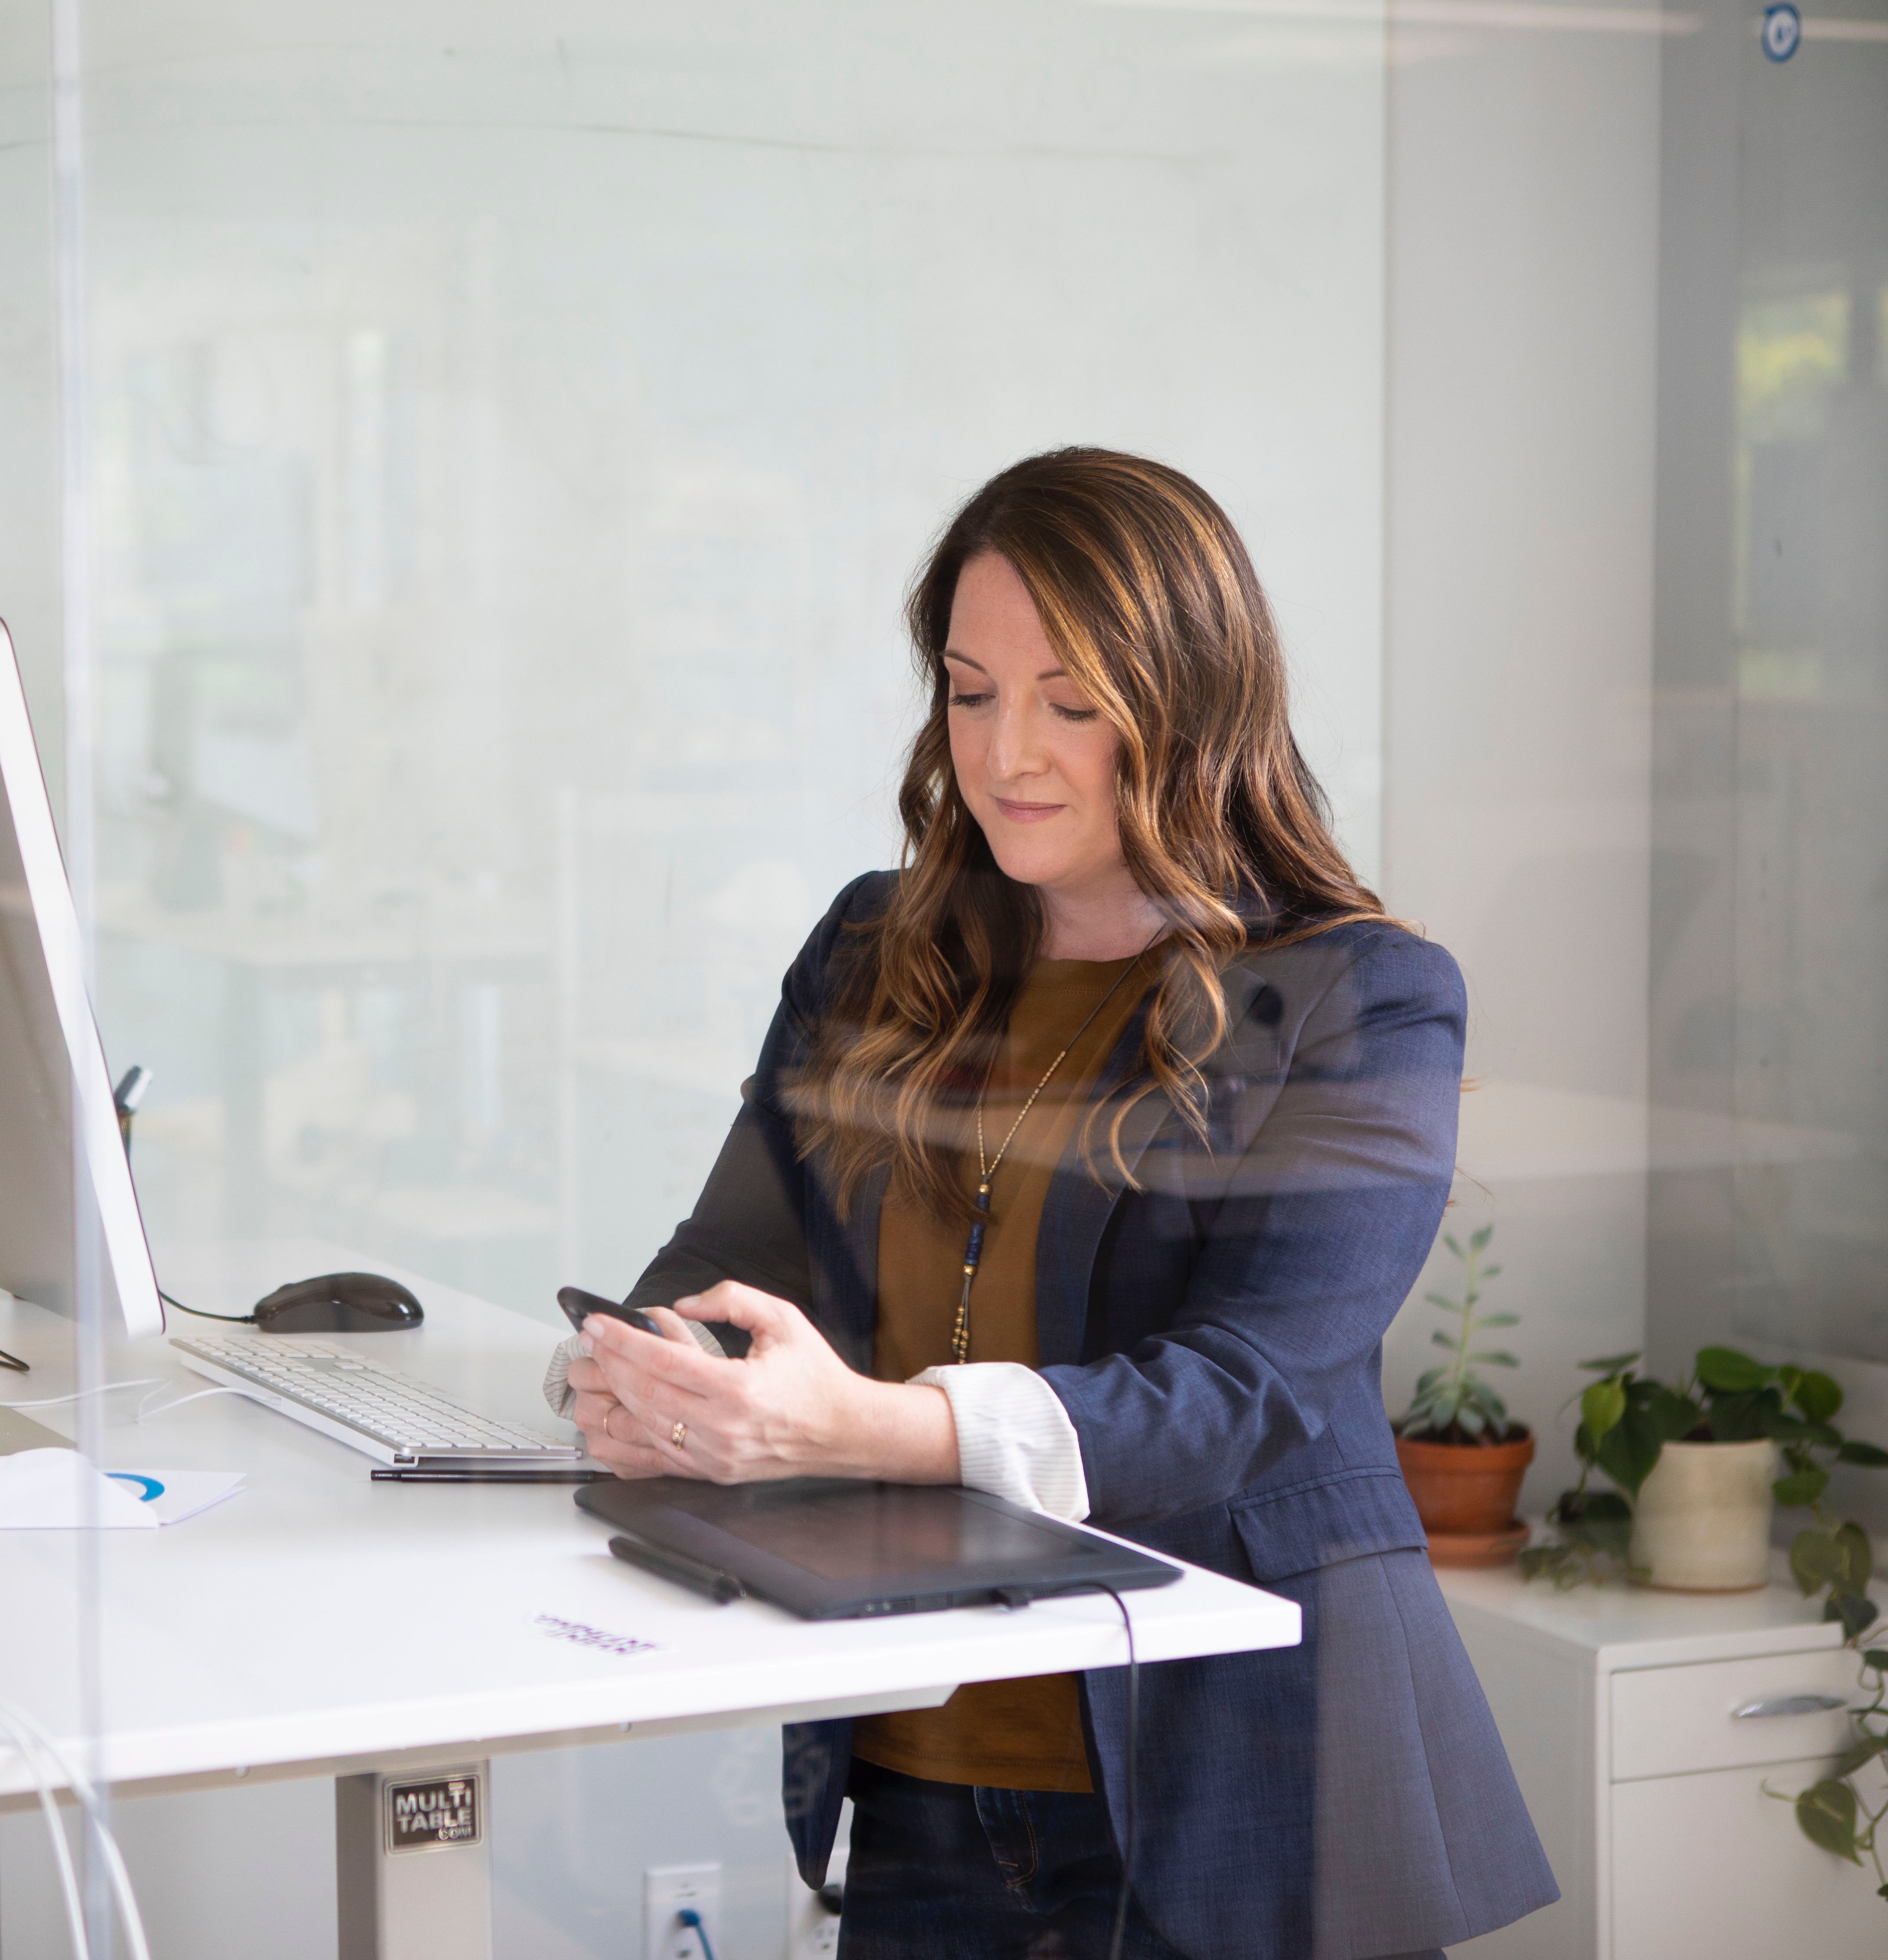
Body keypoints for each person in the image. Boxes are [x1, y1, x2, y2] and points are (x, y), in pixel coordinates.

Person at [551, 449, 1555, 1960]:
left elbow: (1247, 1393)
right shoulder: (873, 950)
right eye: (970, 692)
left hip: (1239, 1792)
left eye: (1072, 703)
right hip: (921, 1779)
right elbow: (725, 1266)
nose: (1007, 750)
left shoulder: (1363, 997)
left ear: (1193, 702)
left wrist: (850, 1426)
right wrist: (637, 1375)